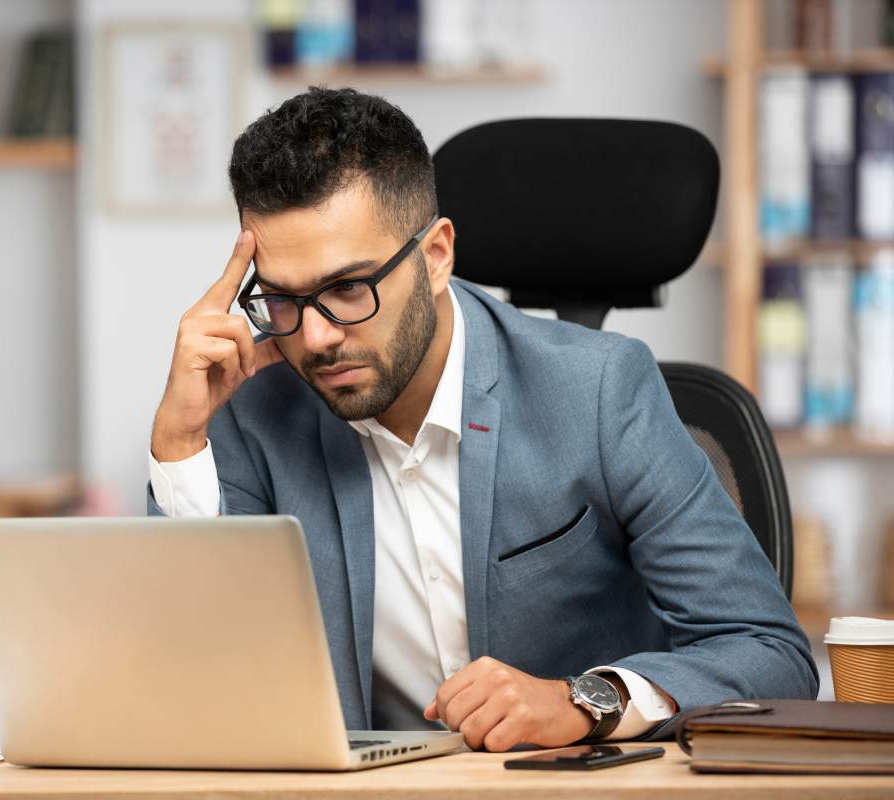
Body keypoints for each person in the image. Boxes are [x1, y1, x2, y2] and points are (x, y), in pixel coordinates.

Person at [146, 87, 817, 751]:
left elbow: (769, 652)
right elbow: (192, 674)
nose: (314, 337)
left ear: (436, 256)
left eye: (349, 288)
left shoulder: (599, 390)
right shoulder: (253, 409)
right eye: (282, 300)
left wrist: (585, 700)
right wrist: (178, 444)